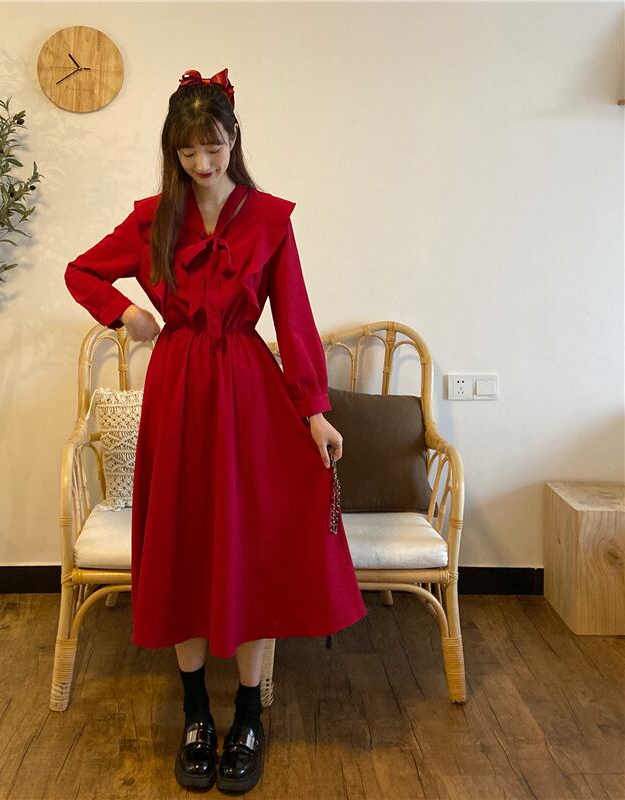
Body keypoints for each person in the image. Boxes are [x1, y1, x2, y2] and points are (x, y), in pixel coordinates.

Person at [64, 67, 367, 794]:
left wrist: (314, 411)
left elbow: (294, 318)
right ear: (172, 151)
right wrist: (125, 314)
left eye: (214, 147)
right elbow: (80, 273)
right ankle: (196, 712)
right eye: (188, 151)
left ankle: (250, 713)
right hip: (177, 392)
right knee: (183, 544)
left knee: (253, 547)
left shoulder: (270, 220)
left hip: (250, 393)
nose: (203, 163)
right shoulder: (151, 221)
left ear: (235, 140)